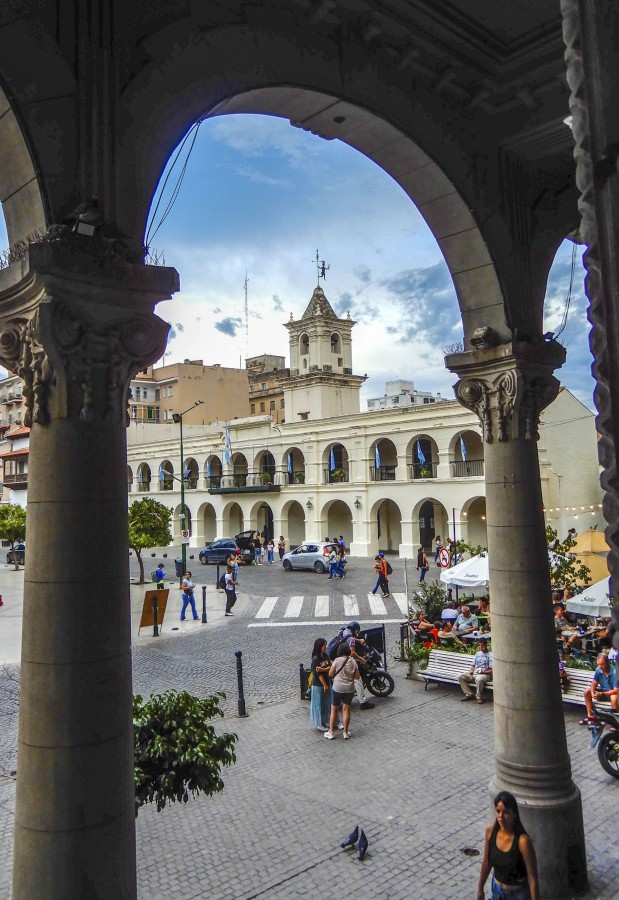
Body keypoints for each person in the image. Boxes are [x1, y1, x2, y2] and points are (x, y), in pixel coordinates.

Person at [477, 790, 539, 900]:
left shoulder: (523, 841)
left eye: (506, 812)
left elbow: (532, 879)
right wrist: (480, 889)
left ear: (514, 814)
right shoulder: (490, 832)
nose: (501, 816)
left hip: (518, 894)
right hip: (497, 891)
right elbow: (487, 861)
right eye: (498, 811)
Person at [324, 642, 360, 740]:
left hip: (337, 688)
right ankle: (346, 732)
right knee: (346, 709)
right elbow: (357, 677)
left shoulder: (337, 660)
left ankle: (331, 732)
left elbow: (330, 674)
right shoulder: (353, 662)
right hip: (349, 689)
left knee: (334, 709)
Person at [341, 621, 375, 710]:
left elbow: (350, 638)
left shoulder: (344, 632)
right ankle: (363, 702)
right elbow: (352, 653)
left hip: (339, 659)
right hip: (346, 661)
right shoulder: (351, 639)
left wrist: (359, 640)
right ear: (356, 630)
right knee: (358, 679)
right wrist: (361, 659)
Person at [581, 652, 618, 724]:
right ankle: (590, 716)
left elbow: (616, 691)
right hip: (603, 693)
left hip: (612, 694)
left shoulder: (615, 672)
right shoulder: (598, 670)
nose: (600, 666)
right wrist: (592, 693)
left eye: (602, 664)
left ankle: (615, 722)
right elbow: (593, 684)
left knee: (614, 697)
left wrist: (601, 694)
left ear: (607, 663)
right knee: (587, 691)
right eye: (598, 664)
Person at [458, 638, 492, 703]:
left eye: (482, 646)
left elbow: (491, 670)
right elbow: (473, 665)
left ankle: (478, 696)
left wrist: (483, 672)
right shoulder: (477, 654)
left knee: (479, 679)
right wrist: (471, 670)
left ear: (486, 645)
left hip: (484, 674)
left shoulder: (490, 655)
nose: (481, 647)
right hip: (475, 673)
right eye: (479, 646)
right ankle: (469, 694)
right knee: (460, 676)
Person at [310, 638, 332, 730]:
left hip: (327, 682)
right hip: (319, 685)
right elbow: (318, 674)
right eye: (324, 645)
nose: (325, 647)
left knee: (326, 703)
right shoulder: (315, 659)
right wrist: (325, 685)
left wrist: (323, 669)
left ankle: (325, 720)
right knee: (320, 704)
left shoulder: (325, 656)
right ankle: (320, 723)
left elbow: (330, 666)